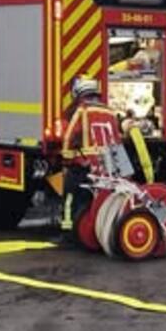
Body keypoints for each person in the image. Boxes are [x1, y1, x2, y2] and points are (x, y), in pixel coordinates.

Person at [59, 78, 121, 244]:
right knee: (102, 198)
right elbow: (117, 140)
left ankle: (69, 233)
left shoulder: (82, 111)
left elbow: (69, 137)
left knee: (70, 197)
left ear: (79, 93)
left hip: (85, 165)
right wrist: (122, 170)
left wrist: (67, 159)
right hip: (108, 165)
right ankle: (99, 230)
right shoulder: (110, 112)